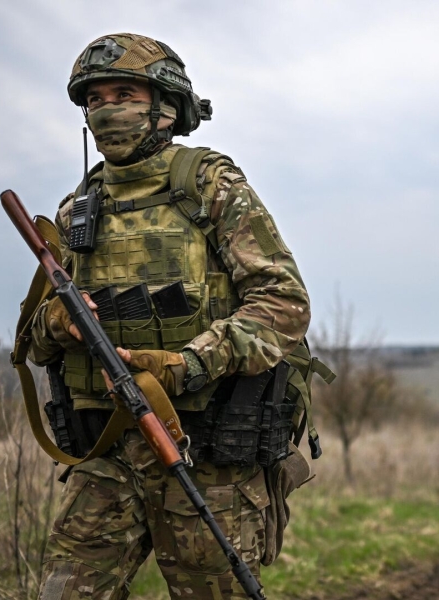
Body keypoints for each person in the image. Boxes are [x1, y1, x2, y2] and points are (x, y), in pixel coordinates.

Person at [25, 33, 312, 599]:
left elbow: (283, 302)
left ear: (165, 106)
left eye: (124, 93)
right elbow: (35, 342)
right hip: (106, 448)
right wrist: (57, 322)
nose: (107, 110)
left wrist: (187, 363)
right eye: (96, 98)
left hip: (205, 449)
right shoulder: (76, 209)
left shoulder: (209, 184)